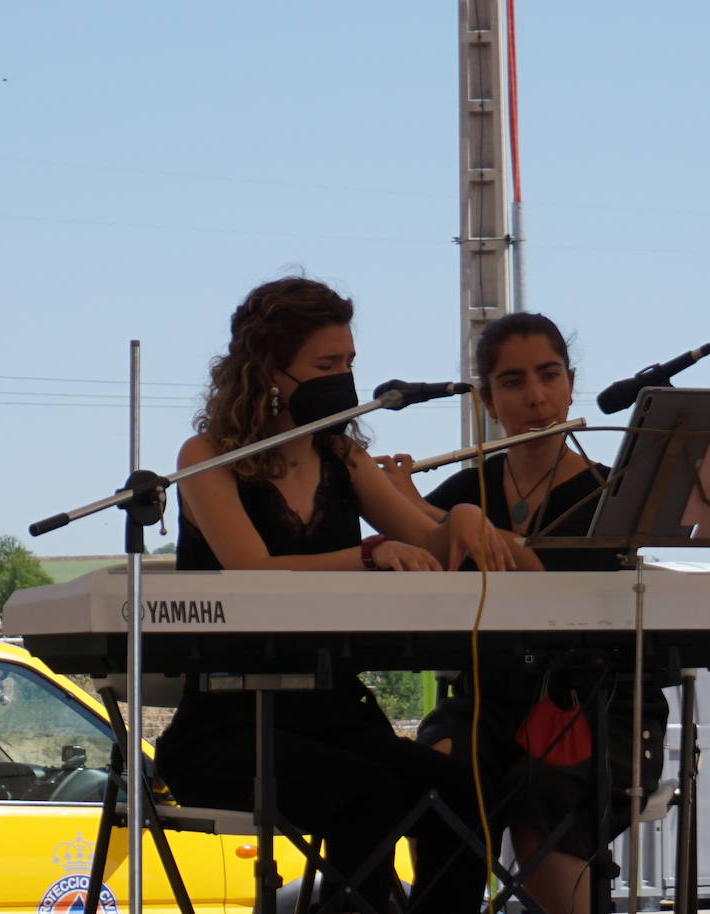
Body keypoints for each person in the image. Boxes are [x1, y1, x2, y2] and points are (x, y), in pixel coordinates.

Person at [153, 276, 514, 914]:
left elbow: (427, 543)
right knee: (367, 791)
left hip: (333, 709)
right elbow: (251, 568)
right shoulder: (207, 456)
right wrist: (368, 554)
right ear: (267, 370)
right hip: (229, 719)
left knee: (459, 791)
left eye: (349, 363)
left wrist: (457, 521)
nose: (343, 378)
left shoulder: (343, 455)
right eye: (325, 365)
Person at [375, 312, 669, 914]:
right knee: (437, 771)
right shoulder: (462, 492)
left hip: (599, 704)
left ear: (570, 383)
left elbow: (564, 600)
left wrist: (444, 521)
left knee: (543, 796)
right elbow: (411, 578)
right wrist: (396, 504)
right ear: (488, 400)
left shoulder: (613, 495)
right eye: (512, 383)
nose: (535, 398)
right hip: (490, 700)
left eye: (549, 376)